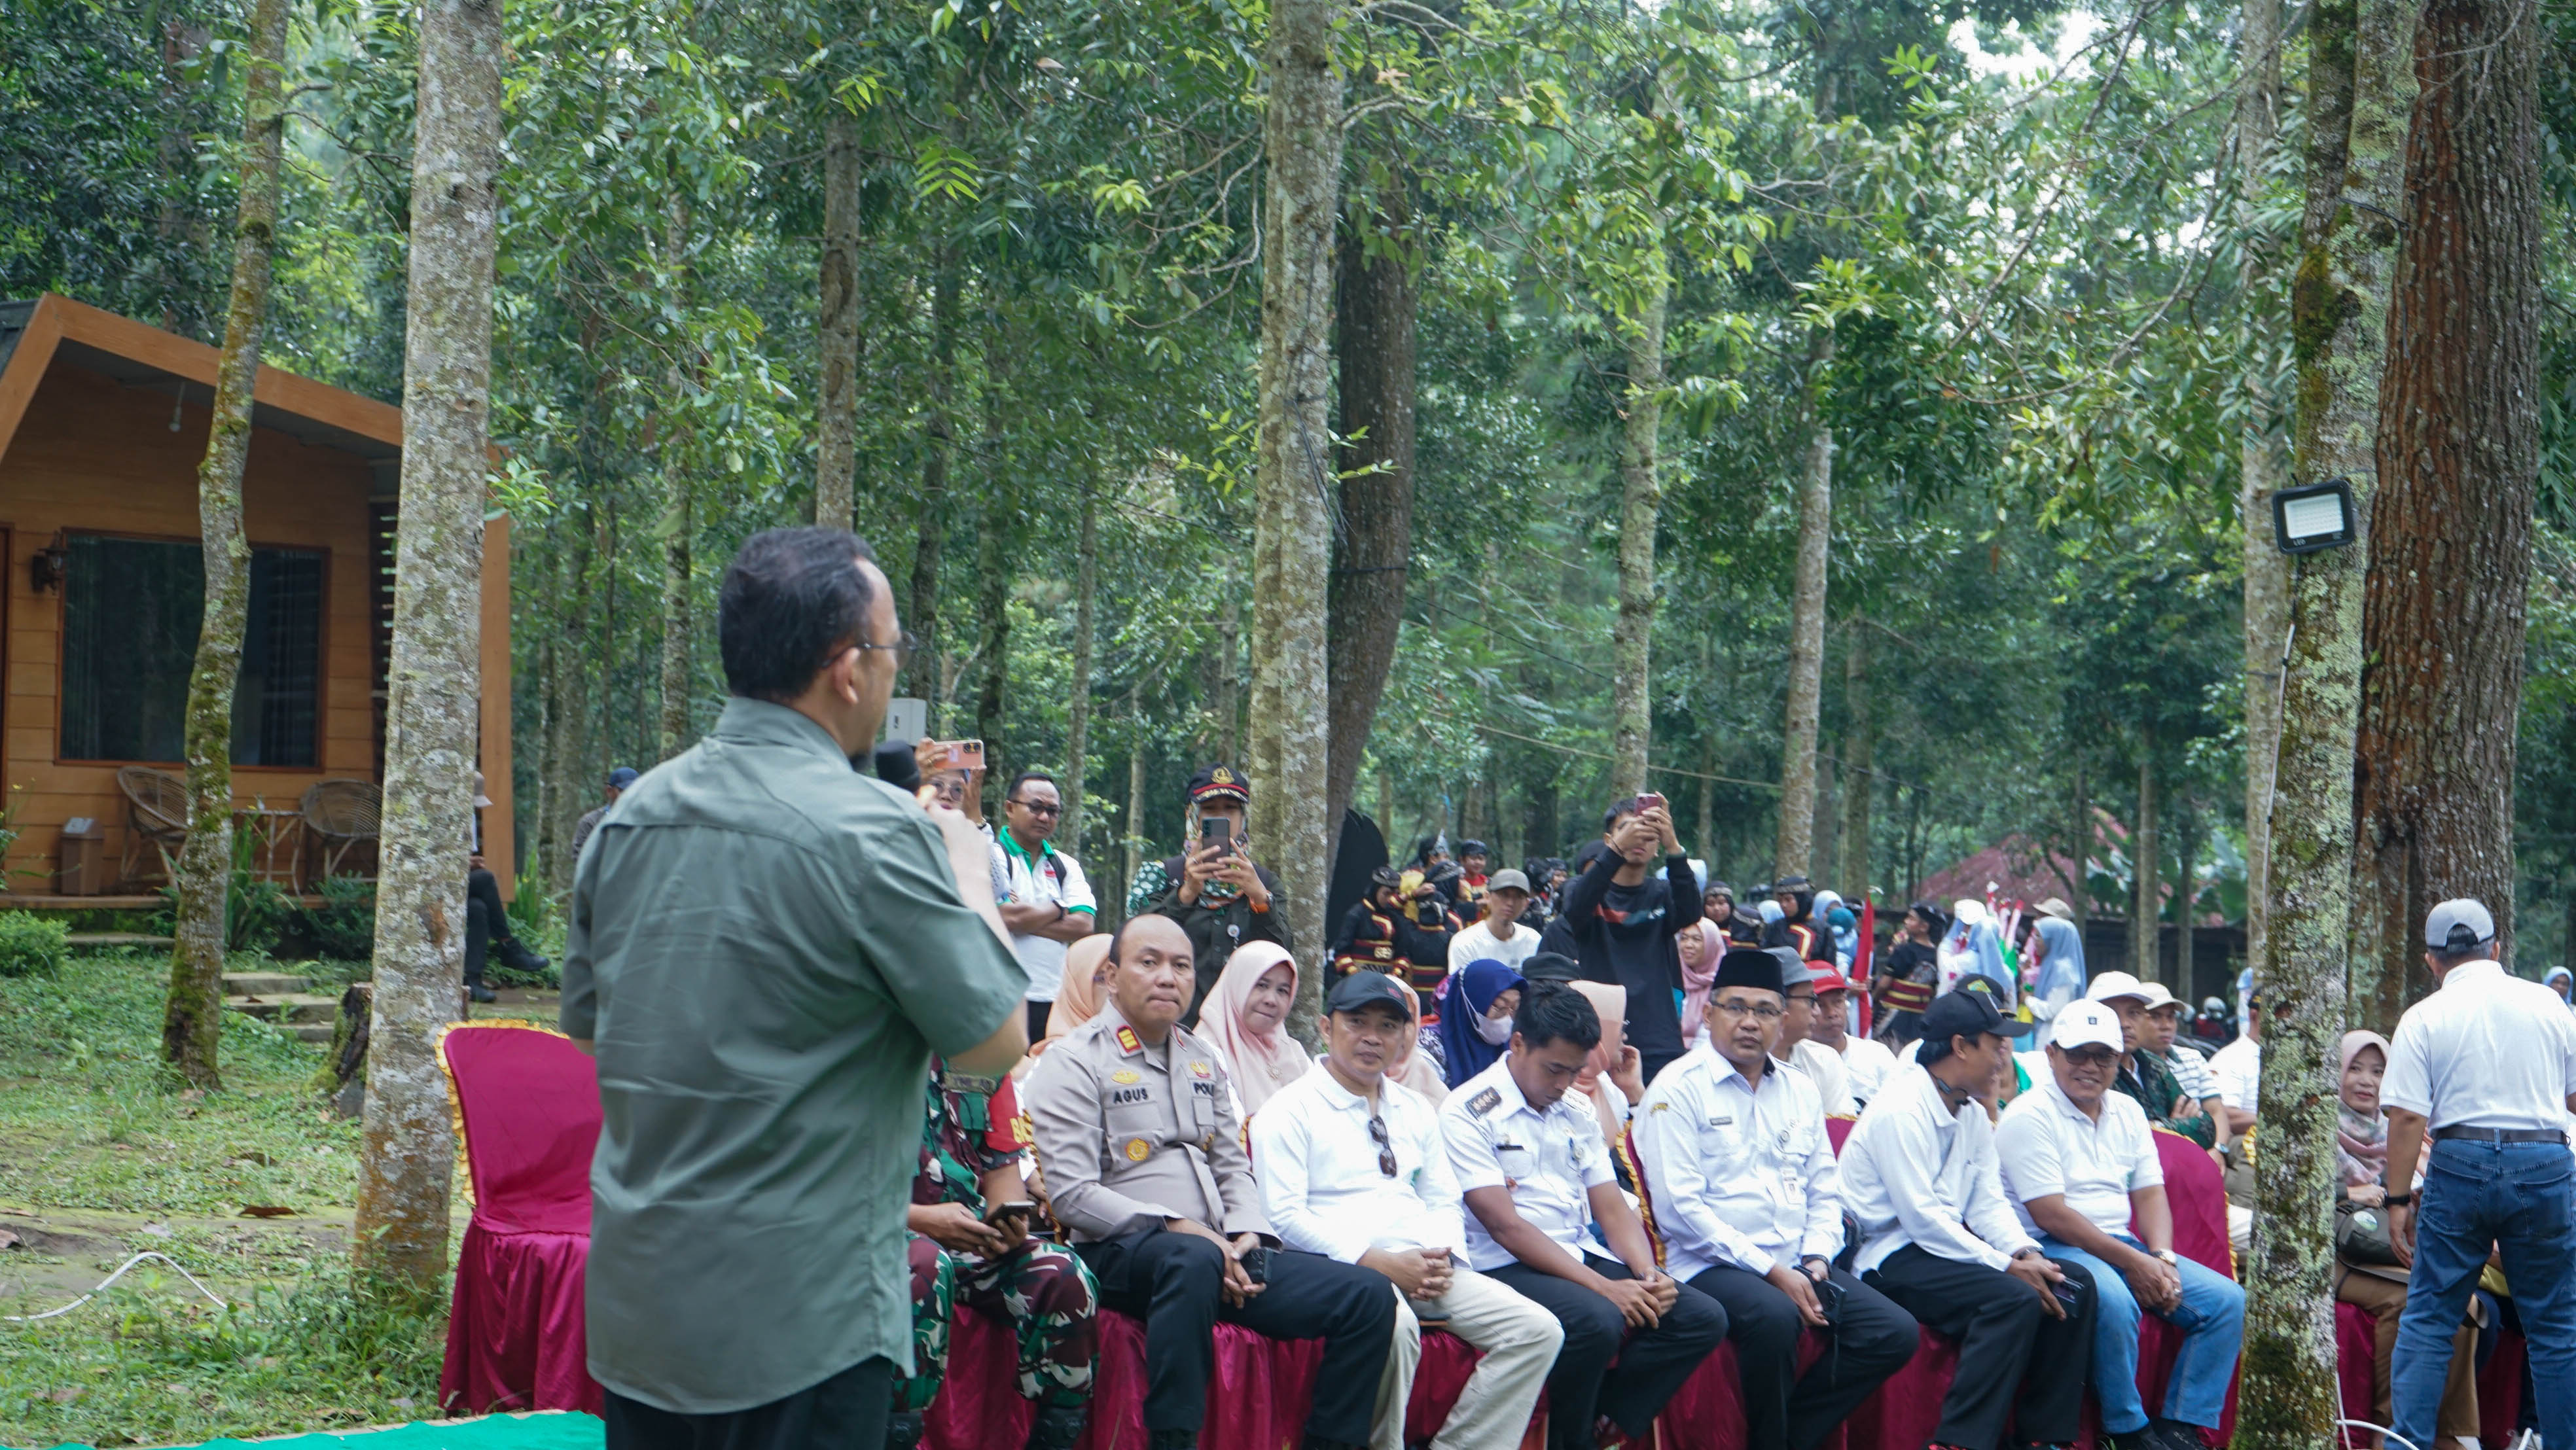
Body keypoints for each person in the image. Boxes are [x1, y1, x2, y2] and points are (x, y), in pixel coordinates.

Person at [562, 525, 1031, 1450]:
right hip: (801, 1324)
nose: (893, 671)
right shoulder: (876, 831)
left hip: (644, 1307)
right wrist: (969, 867)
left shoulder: (631, 818)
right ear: (849, 669)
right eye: (893, 648)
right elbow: (995, 1040)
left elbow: (590, 1032)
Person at [1026, 914, 1400, 1450]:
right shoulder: (1074, 1060)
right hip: (1121, 1251)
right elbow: (1071, 1195)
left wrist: (1246, 1232)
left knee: (1368, 1295)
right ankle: (1173, 1439)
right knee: (1191, 1258)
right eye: (1149, 962)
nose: (1167, 977)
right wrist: (1179, 1228)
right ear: (1112, 976)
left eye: (1181, 966)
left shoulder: (1202, 1058)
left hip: (1219, 1251)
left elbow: (1231, 1164)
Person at [1254, 970, 1563, 1450]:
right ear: (1326, 1027)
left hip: (1422, 1263)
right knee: (1393, 1326)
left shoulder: (1416, 1108)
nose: (1372, 1038)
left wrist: (1441, 1257)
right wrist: (1375, 1261)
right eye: (1357, 1022)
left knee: (1538, 1331)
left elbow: (1443, 1197)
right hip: (1344, 1271)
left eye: (1388, 1026)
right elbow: (1284, 1216)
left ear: (1405, 1038)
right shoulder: (1288, 1110)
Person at [1634, 948, 1920, 1450]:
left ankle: (1791, 1436)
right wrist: (1771, 1271)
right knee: (1774, 1316)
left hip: (1796, 1259)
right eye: (1736, 1007)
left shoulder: (1799, 1089)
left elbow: (1824, 1188)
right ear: (1709, 1013)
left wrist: (1816, 1258)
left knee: (1894, 1332)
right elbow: (1681, 1212)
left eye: (1765, 1010)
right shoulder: (1677, 1089)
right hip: (1710, 1263)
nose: (1750, 1022)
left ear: (1783, 1020)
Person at [1440, 982, 1726, 1450]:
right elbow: (1504, 1226)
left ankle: (1603, 1420)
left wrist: (1647, 1273)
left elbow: (1610, 1205)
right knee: (1599, 1318)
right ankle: (1567, 1440)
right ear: (1518, 1044)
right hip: (1505, 1262)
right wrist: (1604, 1287)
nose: (1563, 1084)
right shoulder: (1469, 1110)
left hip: (1575, 1250)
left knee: (1700, 1316)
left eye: (1575, 1071)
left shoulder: (1575, 1108)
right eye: (1554, 1069)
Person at [1838, 990, 2097, 1450]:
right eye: (1995, 1045)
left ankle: (2042, 1439)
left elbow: (1987, 1203)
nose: (2003, 1059)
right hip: (1886, 1255)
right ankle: (1959, 1442)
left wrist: (2026, 1253)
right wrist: (2004, 1266)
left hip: (1942, 1246)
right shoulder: (1901, 1109)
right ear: (1961, 1046)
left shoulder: (1971, 1112)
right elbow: (1921, 1219)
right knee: (2011, 1298)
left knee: (2070, 1284)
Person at [1994, 1000, 2244, 1450]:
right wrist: (2135, 1262)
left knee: (2228, 1302)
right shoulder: (2028, 1115)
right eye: (2078, 1054)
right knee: (2114, 1299)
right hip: (2050, 1244)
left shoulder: (2127, 1110)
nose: (2090, 1067)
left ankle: (2183, 1427)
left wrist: (2162, 1258)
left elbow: (2150, 1193)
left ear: (2118, 1059)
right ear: (2051, 1054)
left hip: (2120, 1242)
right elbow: (2050, 1214)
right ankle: (2126, 1429)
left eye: (2103, 1056)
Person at [2382, 898, 2576, 1450]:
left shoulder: (2423, 1016)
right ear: (2496, 949)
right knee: (2556, 1329)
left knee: (2429, 1320)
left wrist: (2397, 1200)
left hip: (2459, 1160)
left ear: (2431, 961)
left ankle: (2407, 1445)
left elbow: (2408, 1118)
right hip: (2542, 1160)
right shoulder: (2549, 1003)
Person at [896, 1063, 1099, 1450]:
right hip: (880, 1230)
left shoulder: (985, 1058)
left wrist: (1005, 1226)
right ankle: (898, 1432)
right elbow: (830, 1185)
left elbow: (1004, 1173)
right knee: (927, 1264)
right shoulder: (862, 1046)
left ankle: (1055, 1435)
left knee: (1065, 1274)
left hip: (968, 1237)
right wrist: (922, 1220)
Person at [2331, 1029, 2482, 1450]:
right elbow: (2287, 1197)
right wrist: (2349, 1192)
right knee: (2407, 1301)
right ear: (2334, 1072)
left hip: (2383, 1248)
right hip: (2332, 1252)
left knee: (2464, 1303)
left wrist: (2414, 1201)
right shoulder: (2314, 1127)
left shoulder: (2396, 1133)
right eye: (2355, 1069)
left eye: (2379, 1072)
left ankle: (2448, 1430)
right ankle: (2388, 1428)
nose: (2367, 1081)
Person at [1127, 765, 1292, 1028]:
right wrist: (1186, 894)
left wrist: (1261, 900)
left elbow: (1281, 957)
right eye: (1210, 809)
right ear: (1192, 815)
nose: (1222, 817)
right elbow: (1137, 945)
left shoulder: (1264, 882)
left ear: (1244, 817)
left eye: (1231, 809)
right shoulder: (1160, 876)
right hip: (1169, 1027)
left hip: (1241, 1030)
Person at [1560, 796, 1704, 1088]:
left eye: (1649, 831)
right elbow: (1575, 911)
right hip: (1596, 1037)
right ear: (1608, 839)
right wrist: (1616, 850)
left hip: (1658, 1037)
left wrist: (1674, 847)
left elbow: (1691, 911)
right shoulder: (1583, 890)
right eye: (1628, 828)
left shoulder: (1662, 894)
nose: (1639, 837)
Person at [993, 771, 1098, 1044]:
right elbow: (1002, 917)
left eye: (1052, 811)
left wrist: (1022, 918)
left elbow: (1084, 924)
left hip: (1054, 998)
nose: (1044, 817)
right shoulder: (991, 857)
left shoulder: (1065, 866)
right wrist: (1059, 909)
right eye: (1035, 807)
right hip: (1000, 996)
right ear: (1010, 808)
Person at [2086, 974, 2215, 1150]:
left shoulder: (2154, 1064)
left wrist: (2159, 1127)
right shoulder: (2088, 1071)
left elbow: (2206, 1127)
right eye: (2112, 1013)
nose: (2124, 1023)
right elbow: (2118, 1138)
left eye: (2134, 1013)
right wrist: (2173, 1130)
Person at [1195, 940, 1310, 1118]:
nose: (1271, 1000)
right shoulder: (1204, 1052)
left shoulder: (1294, 1053)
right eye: (1261, 985)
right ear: (1237, 985)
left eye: (1282, 991)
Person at [463, 769, 548, 1004]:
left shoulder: (468, 817)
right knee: (486, 878)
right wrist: (467, 863)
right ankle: (508, 945)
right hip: (433, 884)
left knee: (478, 909)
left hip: (459, 883)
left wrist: (470, 862)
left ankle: (472, 981)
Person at [1334, 865, 1452, 1006]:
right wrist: (1356, 975)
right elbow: (1341, 952)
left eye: (1395, 894)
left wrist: (1395, 975)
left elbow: (1403, 953)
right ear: (1376, 889)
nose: (1390, 899)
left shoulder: (1395, 917)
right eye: (1387, 894)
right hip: (1357, 979)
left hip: (1387, 982)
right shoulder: (1357, 914)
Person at [1769, 951, 1853, 1116]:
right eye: (1811, 1000)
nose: (1816, 1011)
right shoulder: (1735, 1065)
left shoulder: (1824, 1060)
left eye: (1838, 1001)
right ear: (1777, 1005)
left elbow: (1838, 1127)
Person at [2143, 993, 2230, 1151]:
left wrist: (2218, 1150)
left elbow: (2216, 1110)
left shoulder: (2193, 1058)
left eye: (2171, 1017)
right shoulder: (2130, 1068)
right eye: (2155, 1017)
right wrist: (2175, 1128)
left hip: (2206, 1152)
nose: (2166, 1025)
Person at [1435, 959, 1526, 1091]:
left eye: (1515, 1009)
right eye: (1500, 1007)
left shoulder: (1515, 1047)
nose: (1507, 1018)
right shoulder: (1433, 1049)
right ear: (1472, 1003)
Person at [1812, 968, 1898, 1109]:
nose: (1832, 1013)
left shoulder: (1877, 1054)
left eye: (1838, 1002)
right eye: (1821, 1005)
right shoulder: (1796, 1062)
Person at [1872, 903, 1944, 1048]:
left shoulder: (1903, 951)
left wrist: (1873, 999)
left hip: (1894, 1016)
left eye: (1911, 919)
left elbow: (1884, 984)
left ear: (1924, 927)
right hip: (1922, 1018)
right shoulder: (1939, 955)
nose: (1906, 921)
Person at [1031, 934, 1112, 1062]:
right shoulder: (1061, 1056)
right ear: (1077, 985)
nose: (1115, 987)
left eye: (1122, 977)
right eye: (1103, 979)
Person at [1450, 868, 1543, 974]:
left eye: (1518, 897)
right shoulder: (1466, 942)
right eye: (1504, 895)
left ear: (1526, 904)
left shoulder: (1533, 940)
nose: (1510, 903)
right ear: (1487, 897)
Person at [2024, 910, 2086, 1045]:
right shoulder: (2050, 964)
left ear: (2052, 939)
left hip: (2052, 1038)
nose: (2035, 941)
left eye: (2039, 937)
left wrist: (2028, 1000)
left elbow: (2053, 1010)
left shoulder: (2063, 970)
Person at [2205, 989, 2262, 1138]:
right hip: (2244, 1139)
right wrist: (2276, 1120)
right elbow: (2224, 1114)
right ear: (2254, 1016)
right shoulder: (2231, 1058)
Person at [570, 765, 639, 859]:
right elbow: (581, 858)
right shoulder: (590, 822)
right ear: (609, 791)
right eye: (623, 791)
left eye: (635, 791)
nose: (630, 796)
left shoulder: (643, 822)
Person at [1762, 875, 1833, 967]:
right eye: (1780, 900)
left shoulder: (1824, 930)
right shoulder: (1774, 928)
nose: (1783, 905)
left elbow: (1829, 966)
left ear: (1801, 900)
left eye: (1788, 900)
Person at [1706, 881, 1761, 947]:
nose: (1716, 908)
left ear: (1730, 904)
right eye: (1710, 904)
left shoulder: (1749, 922)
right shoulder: (1699, 927)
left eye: (1721, 903)